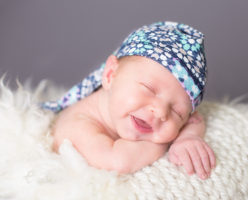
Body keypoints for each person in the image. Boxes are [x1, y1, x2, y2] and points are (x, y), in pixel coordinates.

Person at [42, 21, 216, 180]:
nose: (161, 111)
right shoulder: (77, 124)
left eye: (177, 112)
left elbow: (195, 119)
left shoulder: (130, 113)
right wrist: (168, 142)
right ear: (111, 75)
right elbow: (119, 162)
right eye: (149, 89)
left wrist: (187, 138)